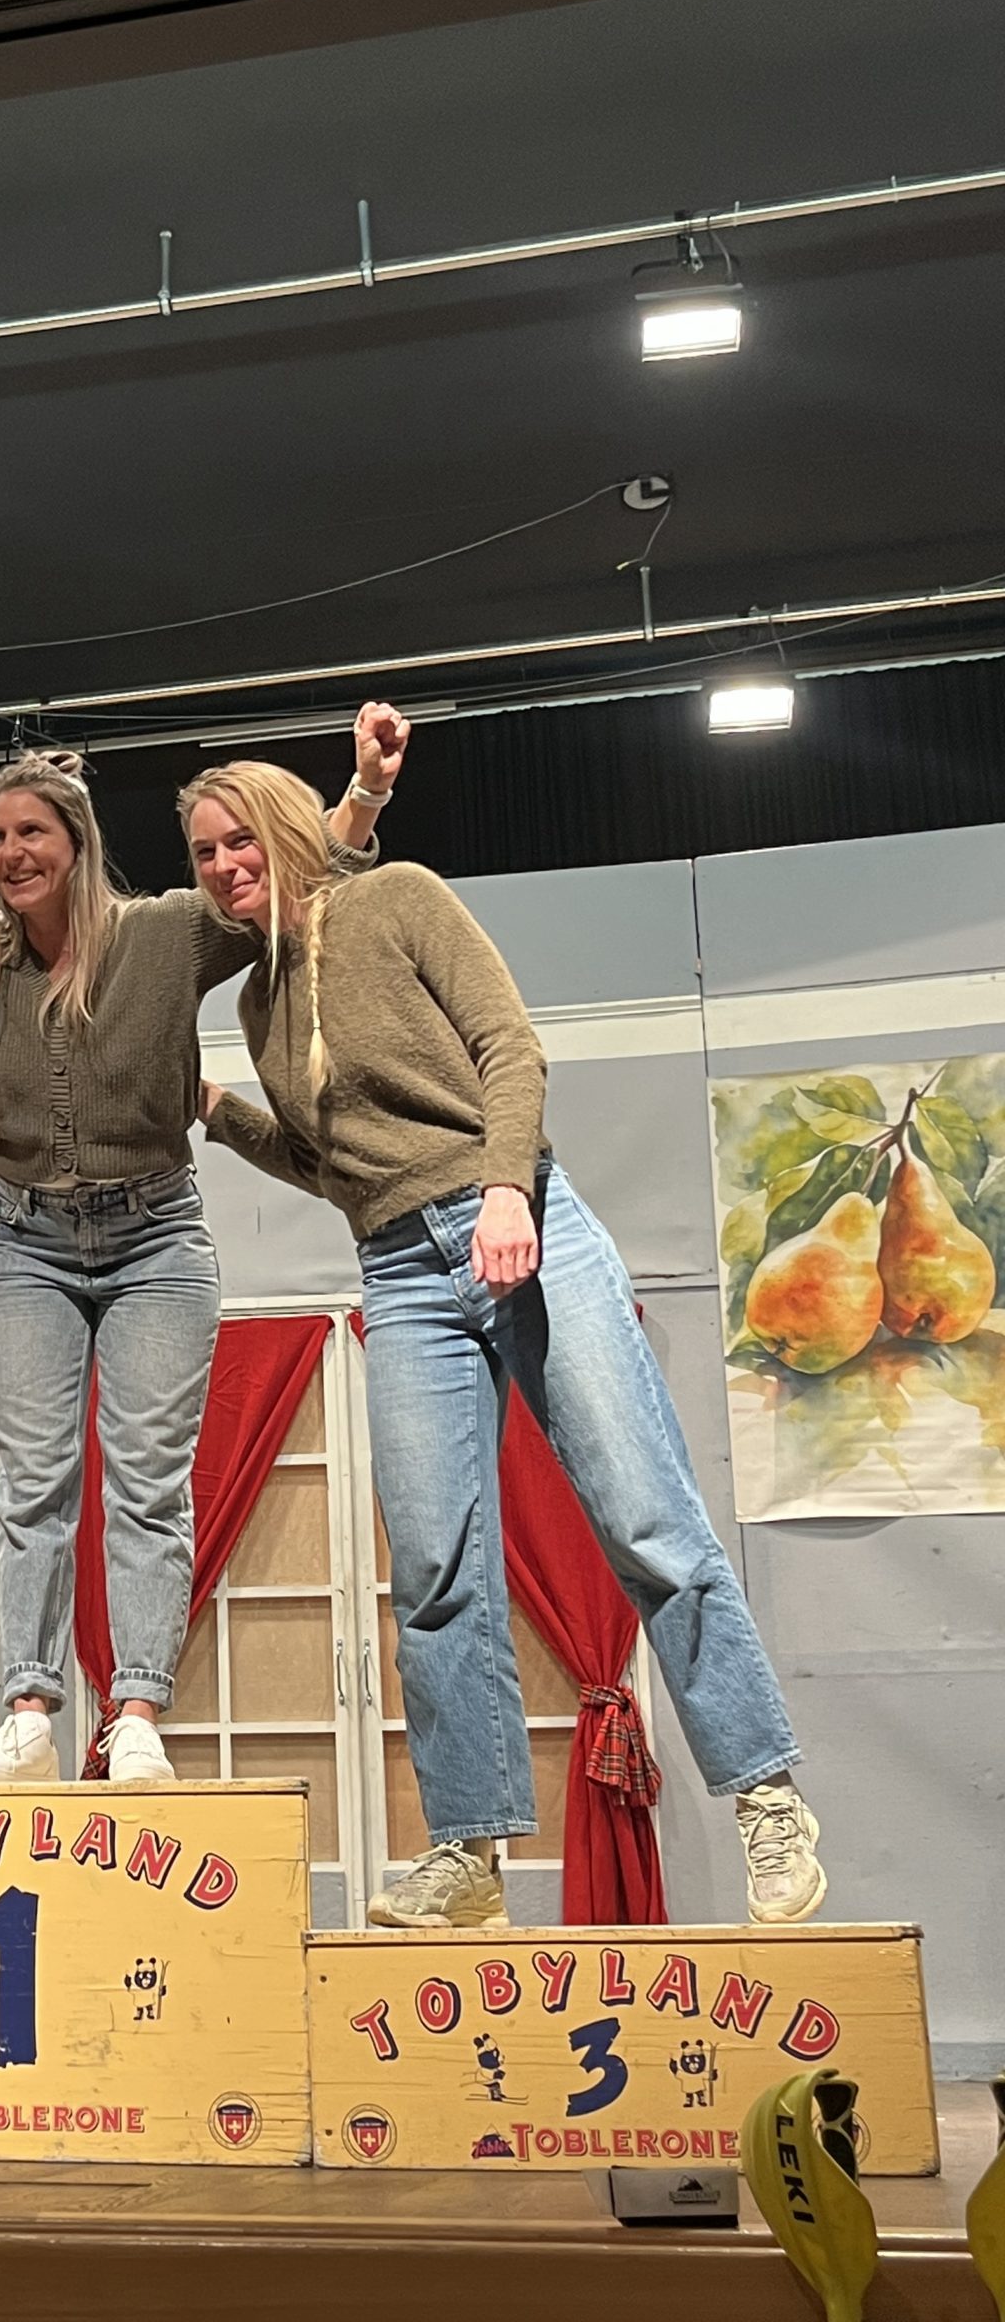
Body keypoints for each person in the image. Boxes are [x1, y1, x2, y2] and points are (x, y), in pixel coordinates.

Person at [184, 759, 825, 1929]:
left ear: (287, 829)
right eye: (205, 853)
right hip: (399, 1269)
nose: (227, 866)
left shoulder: (399, 898)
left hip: (523, 1220)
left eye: (240, 840)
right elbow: (337, 1168)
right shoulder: (256, 1006)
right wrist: (225, 1116)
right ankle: (470, 1851)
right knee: (434, 1568)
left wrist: (503, 1191)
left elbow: (509, 1049)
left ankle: (765, 1795)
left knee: (646, 1517)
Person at [0, 708, 408, 1788]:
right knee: (34, 1483)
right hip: (27, 1245)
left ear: (75, 841)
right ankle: (29, 1715)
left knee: (148, 1483)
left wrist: (367, 791)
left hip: (156, 1239)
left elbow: (297, 879)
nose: (12, 853)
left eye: (31, 832)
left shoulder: (167, 932)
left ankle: (137, 1713)